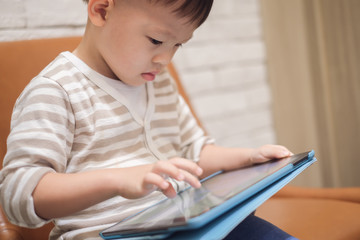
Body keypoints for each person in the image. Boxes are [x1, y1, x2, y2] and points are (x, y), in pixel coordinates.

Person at [0, 0, 296, 239]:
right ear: (102, 9)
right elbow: (19, 197)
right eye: (156, 40)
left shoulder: (158, 82)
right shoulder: (57, 90)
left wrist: (248, 158)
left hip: (188, 225)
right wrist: (117, 180)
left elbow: (195, 154)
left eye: (178, 44)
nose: (166, 59)